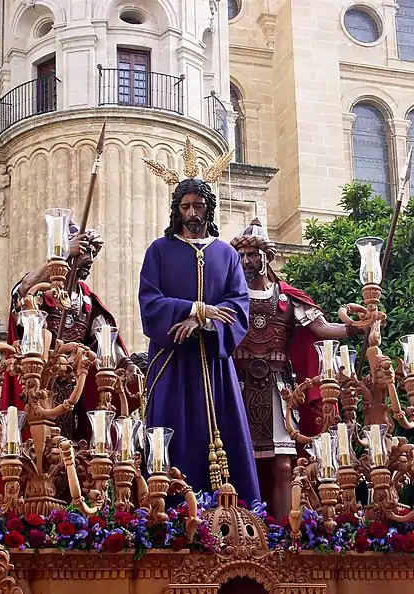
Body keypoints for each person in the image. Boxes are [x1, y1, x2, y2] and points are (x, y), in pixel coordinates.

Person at [139, 140, 259, 504]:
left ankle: (234, 516)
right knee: (171, 434)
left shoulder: (226, 254)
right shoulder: (159, 251)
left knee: (224, 434)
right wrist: (196, 310)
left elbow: (238, 305)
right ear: (176, 210)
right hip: (171, 363)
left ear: (209, 209)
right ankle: (168, 513)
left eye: (199, 205)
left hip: (213, 365)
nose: (192, 212)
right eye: (186, 206)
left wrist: (205, 324)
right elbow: (149, 301)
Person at [230, 218, 360, 519]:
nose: (247, 261)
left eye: (253, 254)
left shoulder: (287, 297)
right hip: (237, 386)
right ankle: (242, 529)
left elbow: (321, 328)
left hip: (278, 387)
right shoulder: (231, 297)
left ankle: (282, 533)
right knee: (237, 461)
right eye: (242, 255)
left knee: (283, 463)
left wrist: (354, 329)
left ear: (266, 257)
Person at [0, 222, 139, 441]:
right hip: (40, 384)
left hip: (74, 389)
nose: (90, 259)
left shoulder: (88, 302)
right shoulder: (40, 292)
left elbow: (106, 341)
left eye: (93, 253)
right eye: (85, 251)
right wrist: (62, 253)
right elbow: (23, 291)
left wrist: (127, 365)